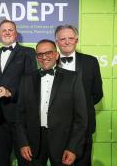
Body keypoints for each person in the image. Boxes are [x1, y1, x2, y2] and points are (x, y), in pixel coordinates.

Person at [15, 39, 88, 166]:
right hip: (33, 143)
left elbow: (81, 118)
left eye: (49, 53)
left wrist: (73, 148)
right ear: (36, 57)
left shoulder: (73, 78)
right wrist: (23, 142)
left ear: (57, 54)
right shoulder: (26, 80)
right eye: (40, 54)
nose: (44, 57)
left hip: (63, 143)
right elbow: (19, 116)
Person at [0, 19, 37, 166]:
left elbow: (32, 83)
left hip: (19, 117)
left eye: (10, 30)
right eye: (4, 30)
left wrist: (10, 92)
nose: (7, 32)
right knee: (1, 160)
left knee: (25, 160)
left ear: (16, 33)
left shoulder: (28, 52)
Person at [55, 24, 103, 166]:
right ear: (57, 42)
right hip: (56, 126)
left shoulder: (91, 62)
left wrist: (79, 108)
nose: (67, 41)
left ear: (76, 40)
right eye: (63, 39)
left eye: (71, 38)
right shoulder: (48, 62)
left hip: (84, 125)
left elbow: (97, 93)